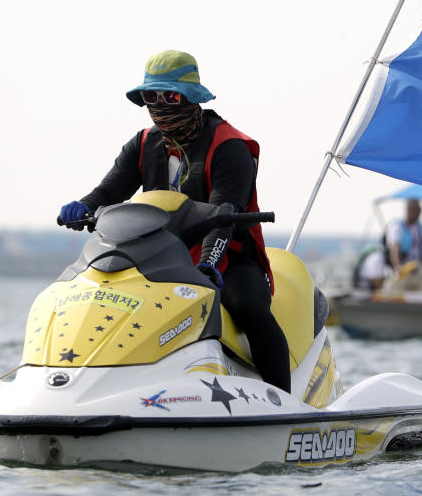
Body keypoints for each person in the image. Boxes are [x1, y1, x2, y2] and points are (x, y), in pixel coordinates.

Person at [58, 50, 291, 393]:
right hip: (158, 257)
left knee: (249, 307)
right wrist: (83, 205)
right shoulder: (141, 144)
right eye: (151, 97)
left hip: (229, 258)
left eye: (170, 96)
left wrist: (209, 263)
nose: (160, 105)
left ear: (192, 98)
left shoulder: (230, 147)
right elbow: (109, 190)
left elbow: (223, 214)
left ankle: (285, 404)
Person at [384, 198, 422, 272]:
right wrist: (397, 266)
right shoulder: (398, 226)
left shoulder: (419, 227)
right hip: (404, 266)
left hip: (418, 265)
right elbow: (395, 247)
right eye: (418, 212)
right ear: (410, 211)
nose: (419, 215)